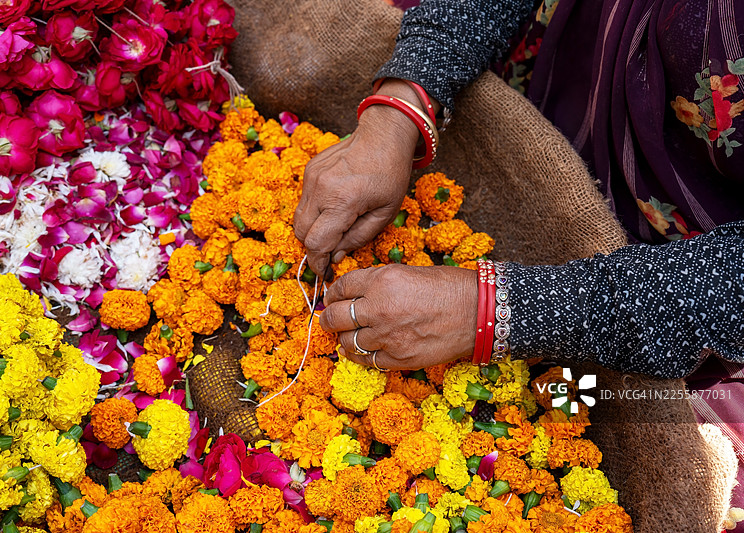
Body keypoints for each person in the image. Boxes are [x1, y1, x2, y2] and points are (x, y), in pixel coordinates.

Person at [293, 0, 744, 525]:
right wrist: (402, 106)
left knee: (615, 413)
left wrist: (495, 310)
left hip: (686, 280)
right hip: (569, 68)